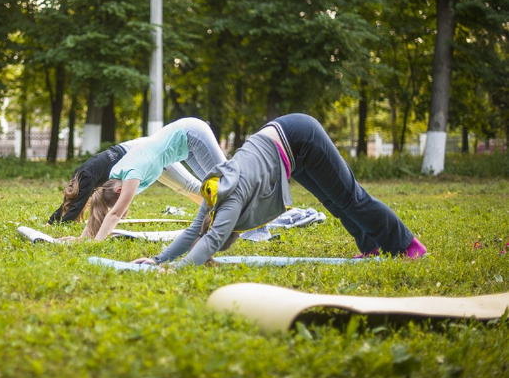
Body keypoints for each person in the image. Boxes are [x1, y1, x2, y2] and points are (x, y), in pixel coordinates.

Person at [133, 113, 427, 268]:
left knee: (349, 196)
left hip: (300, 137)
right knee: (332, 200)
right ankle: (371, 245)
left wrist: (173, 270)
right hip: (286, 148)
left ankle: (407, 245)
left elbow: (211, 240)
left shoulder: (229, 199)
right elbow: (194, 231)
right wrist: (158, 260)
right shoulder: (214, 194)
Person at [79, 117, 227, 241]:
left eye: (120, 201)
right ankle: (223, 217)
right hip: (185, 146)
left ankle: (246, 228)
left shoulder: (131, 176)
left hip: (192, 134)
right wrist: (82, 238)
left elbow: (115, 214)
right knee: (211, 187)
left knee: (229, 181)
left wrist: (97, 243)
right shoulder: (114, 177)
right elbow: (99, 207)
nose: (125, 205)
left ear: (119, 191)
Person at [47, 138, 203, 225]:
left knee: (189, 186)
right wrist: (51, 222)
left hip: (145, 153)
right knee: (184, 189)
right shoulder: (80, 174)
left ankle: (223, 206)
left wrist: (61, 224)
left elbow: (77, 204)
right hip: (138, 154)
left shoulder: (86, 178)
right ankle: (217, 210)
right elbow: (72, 203)